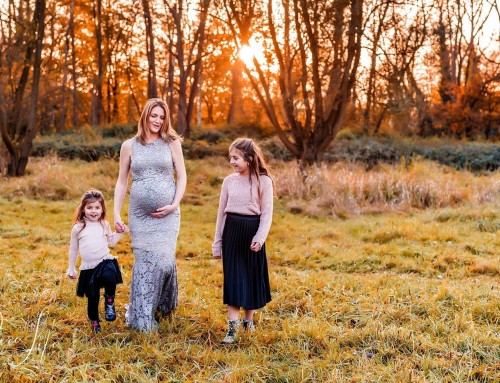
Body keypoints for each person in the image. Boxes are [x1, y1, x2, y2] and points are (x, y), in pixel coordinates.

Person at [114, 98, 187, 333]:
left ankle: (164, 305)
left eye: (162, 117)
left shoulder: (172, 143)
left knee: (164, 261)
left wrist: (174, 204)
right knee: (145, 263)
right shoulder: (129, 146)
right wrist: (116, 213)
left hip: (168, 215)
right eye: (154, 115)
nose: (157, 120)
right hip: (139, 215)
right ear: (145, 116)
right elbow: (122, 181)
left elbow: (182, 177)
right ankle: (141, 318)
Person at [212, 138, 275, 344]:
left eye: (236, 157)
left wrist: (260, 238)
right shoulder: (228, 181)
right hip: (232, 233)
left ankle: (248, 321)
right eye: (230, 157)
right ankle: (232, 328)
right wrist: (217, 241)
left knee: (250, 279)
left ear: (249, 158)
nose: (232, 161)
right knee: (233, 280)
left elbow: (266, 215)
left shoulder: (264, 181)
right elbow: (221, 213)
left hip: (252, 234)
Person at [66, 189, 128, 333]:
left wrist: (121, 233)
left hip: (104, 261)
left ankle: (110, 301)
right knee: (92, 297)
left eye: (97, 207)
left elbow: (111, 241)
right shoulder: (78, 228)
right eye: (89, 207)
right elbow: (73, 249)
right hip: (88, 268)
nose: (93, 211)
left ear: (102, 209)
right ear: (83, 209)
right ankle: (94, 320)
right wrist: (71, 268)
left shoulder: (104, 224)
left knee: (109, 277)